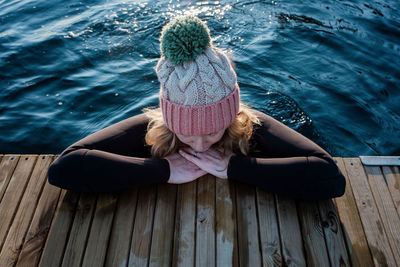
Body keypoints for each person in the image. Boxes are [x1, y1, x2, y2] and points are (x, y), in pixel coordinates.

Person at [48, 16, 345, 200]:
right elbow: (65, 169)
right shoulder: (155, 127)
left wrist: (236, 167)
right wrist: (162, 169)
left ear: (229, 118)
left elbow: (330, 177)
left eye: (213, 132)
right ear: (170, 120)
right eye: (187, 135)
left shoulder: (249, 124)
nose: (201, 147)